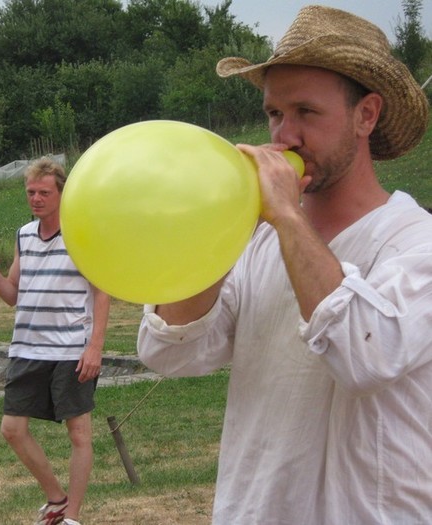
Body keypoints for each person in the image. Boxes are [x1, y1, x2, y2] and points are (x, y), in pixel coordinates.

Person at [137, 5, 432, 524]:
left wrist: (287, 217)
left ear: (366, 115)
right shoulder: (258, 239)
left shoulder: (415, 242)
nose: (284, 136)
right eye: (275, 113)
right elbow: (170, 352)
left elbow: (365, 355)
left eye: (306, 112)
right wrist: (216, 230)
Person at [0, 157, 110, 525]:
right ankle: (56, 499)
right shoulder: (24, 234)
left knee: (79, 434)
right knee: (12, 429)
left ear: (62, 193)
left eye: (44, 192)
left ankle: (72, 518)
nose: (36, 198)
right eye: (31, 192)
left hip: (71, 349)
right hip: (27, 346)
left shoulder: (82, 234)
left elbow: (102, 292)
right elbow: (13, 295)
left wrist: (95, 346)